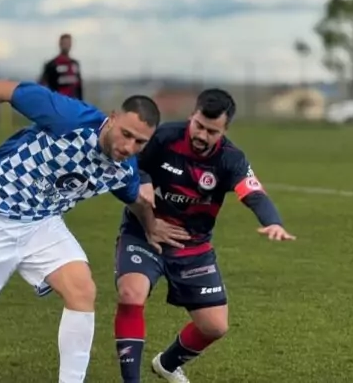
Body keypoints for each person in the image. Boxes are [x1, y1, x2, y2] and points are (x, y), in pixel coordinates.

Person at [0, 80, 174, 383]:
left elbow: (136, 200)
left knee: (82, 290)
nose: (128, 147)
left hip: (42, 223)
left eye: (140, 142)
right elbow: (9, 90)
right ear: (113, 117)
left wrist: (151, 227)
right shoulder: (70, 117)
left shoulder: (123, 169)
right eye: (126, 134)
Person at [113, 88, 296, 383]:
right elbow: (130, 163)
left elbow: (254, 193)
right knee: (131, 293)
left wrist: (273, 222)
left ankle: (167, 364)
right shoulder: (164, 137)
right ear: (192, 115)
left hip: (192, 245)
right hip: (145, 233)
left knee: (214, 326)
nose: (201, 135)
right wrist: (143, 182)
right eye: (198, 125)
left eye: (212, 131)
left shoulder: (231, 159)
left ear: (225, 131)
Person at [39, 33, 83, 100]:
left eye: (69, 43)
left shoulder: (75, 64)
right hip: (58, 102)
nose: (67, 45)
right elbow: (43, 84)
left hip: (73, 102)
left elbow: (79, 87)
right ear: (60, 44)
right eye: (65, 43)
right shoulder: (52, 65)